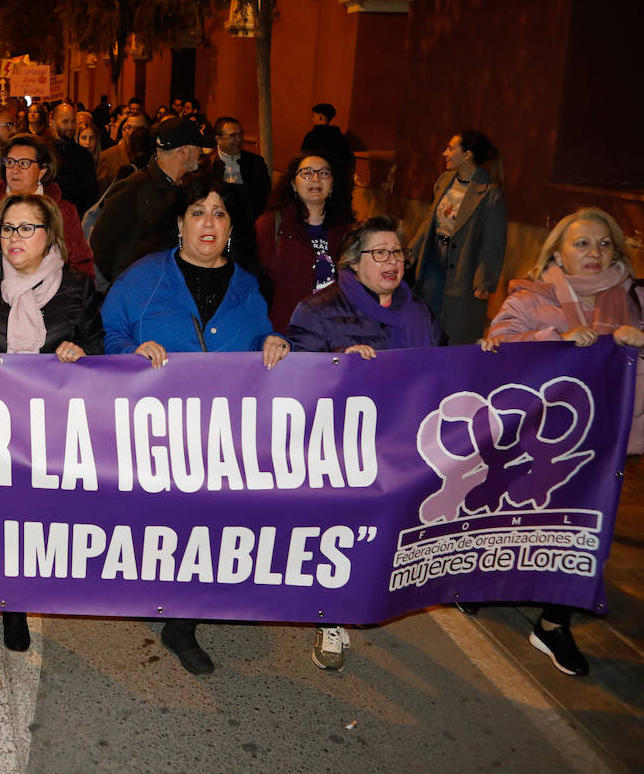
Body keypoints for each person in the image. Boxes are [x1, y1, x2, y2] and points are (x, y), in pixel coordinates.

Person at [101, 175, 291, 676]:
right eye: (198, 212)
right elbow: (108, 334)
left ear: (231, 228)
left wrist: (275, 342)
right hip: (153, 428)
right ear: (180, 223)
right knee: (157, 521)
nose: (209, 222)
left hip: (222, 432)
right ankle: (150, 589)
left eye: (220, 212)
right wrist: (129, 352)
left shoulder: (251, 285)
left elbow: (261, 341)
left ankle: (181, 621)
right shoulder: (141, 279)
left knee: (207, 523)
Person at [477, 207, 644, 677]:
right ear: (557, 251)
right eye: (581, 243)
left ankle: (553, 622)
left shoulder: (635, 300)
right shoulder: (533, 296)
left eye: (604, 243)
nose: (594, 252)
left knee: (579, 536)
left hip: (603, 445)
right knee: (519, 525)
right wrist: (555, 339)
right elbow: (498, 347)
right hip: (536, 444)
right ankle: (486, 584)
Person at [0, 193, 104, 651]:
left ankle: (14, 605)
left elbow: (98, 347)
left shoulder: (77, 288)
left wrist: (81, 355)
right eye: (7, 229)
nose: (14, 238)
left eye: (26, 228)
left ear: (50, 234)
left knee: (27, 521)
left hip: (44, 428)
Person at [287, 216, 440, 670]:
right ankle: (330, 615)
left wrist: (485, 353)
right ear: (353, 262)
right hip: (340, 450)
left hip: (400, 447)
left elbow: (445, 369)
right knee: (339, 537)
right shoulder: (317, 310)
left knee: (382, 536)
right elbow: (293, 377)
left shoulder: (419, 313)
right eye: (380, 253)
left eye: (398, 253)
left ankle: (370, 597)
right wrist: (337, 365)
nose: (392, 261)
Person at [0, 134, 95, 303]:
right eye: (9, 162)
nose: (14, 170)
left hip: (52, 306)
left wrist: (78, 307)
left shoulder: (63, 212)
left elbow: (82, 265)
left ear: (42, 170)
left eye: (23, 163)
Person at [407, 130, 508, 345]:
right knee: (426, 320)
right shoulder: (444, 181)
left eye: (451, 148)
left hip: (464, 269)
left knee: (456, 329)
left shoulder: (490, 192)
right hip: (433, 262)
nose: (445, 153)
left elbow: (494, 241)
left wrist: (484, 280)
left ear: (467, 155)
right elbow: (429, 221)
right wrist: (412, 250)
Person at [91, 117, 210, 285]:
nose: (201, 153)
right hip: (136, 294)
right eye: (198, 148)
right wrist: (123, 280)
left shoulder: (186, 188)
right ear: (183, 153)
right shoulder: (135, 187)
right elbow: (101, 240)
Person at [255, 154, 355, 332]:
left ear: (332, 186)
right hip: (284, 333)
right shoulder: (270, 225)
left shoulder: (348, 232)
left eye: (324, 173)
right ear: (293, 184)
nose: (316, 178)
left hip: (334, 334)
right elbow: (252, 284)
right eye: (307, 173)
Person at [212, 117, 271, 221]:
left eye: (240, 134)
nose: (239, 139)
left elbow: (266, 196)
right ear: (218, 139)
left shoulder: (256, 163)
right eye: (233, 135)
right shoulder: (207, 165)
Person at [300, 103, 353, 169]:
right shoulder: (340, 137)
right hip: (335, 175)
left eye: (314, 116)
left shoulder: (312, 136)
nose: (312, 119)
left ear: (321, 117)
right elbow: (345, 158)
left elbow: (303, 157)